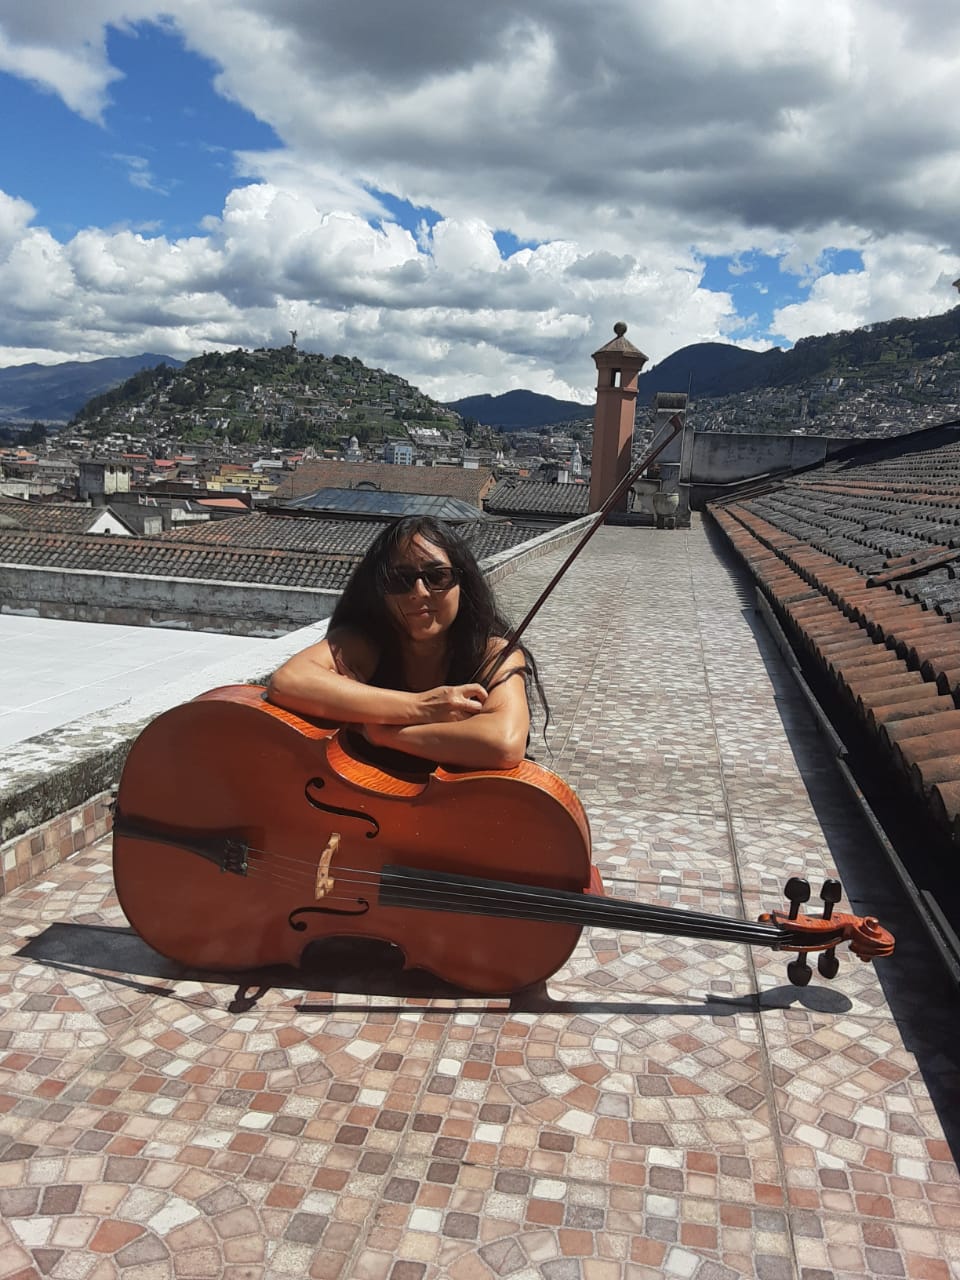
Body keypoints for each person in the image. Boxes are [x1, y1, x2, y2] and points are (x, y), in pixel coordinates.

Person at [267, 516, 545, 770]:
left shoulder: (492, 653)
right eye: (400, 579)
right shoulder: (365, 643)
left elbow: (504, 744)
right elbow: (288, 681)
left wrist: (385, 734)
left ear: (463, 581)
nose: (419, 592)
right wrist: (423, 707)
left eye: (437, 576)